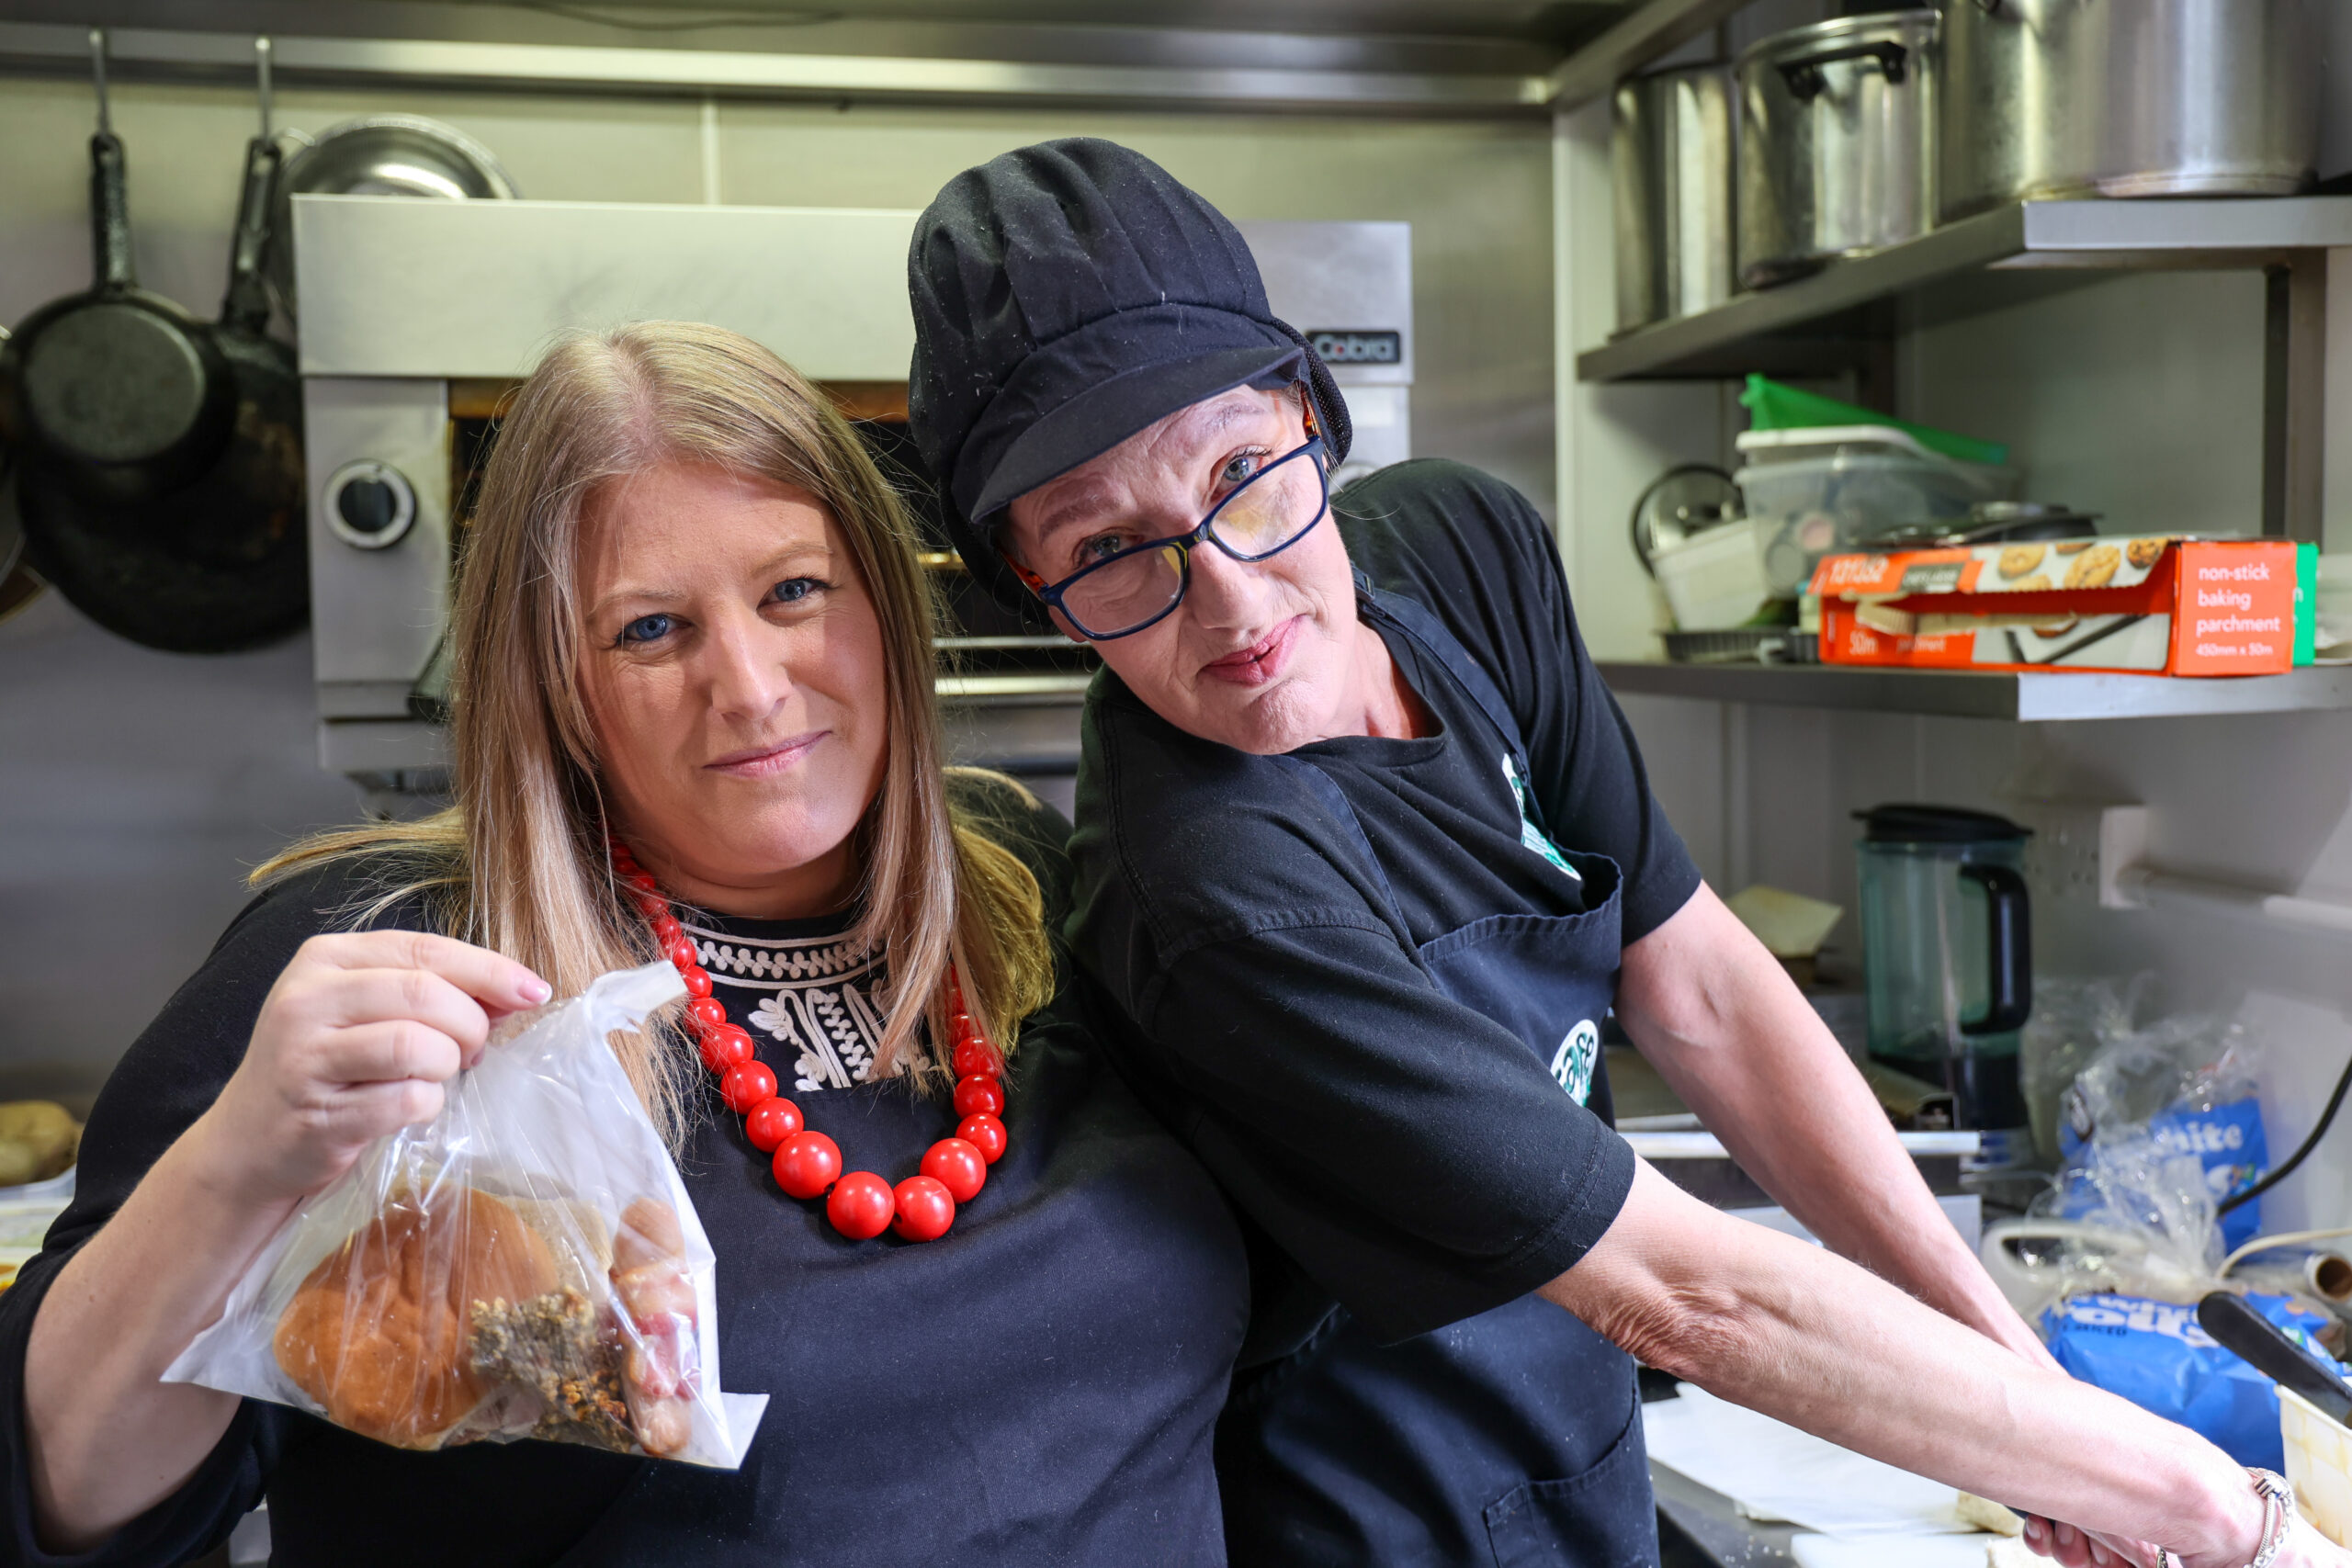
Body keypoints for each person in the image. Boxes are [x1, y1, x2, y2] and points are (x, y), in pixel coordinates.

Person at [903, 138, 2351, 1568]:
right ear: (1035, 588)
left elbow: (1698, 983)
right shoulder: (1214, 890)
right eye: (1109, 550)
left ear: (1310, 417)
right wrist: (2228, 1515)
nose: (1226, 596)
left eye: (1244, 476)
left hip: (1578, 1425)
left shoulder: (1463, 552)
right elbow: (1690, 1298)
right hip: (1369, 1492)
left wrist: (2020, 1393)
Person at [2, 321, 1248, 1567]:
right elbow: (61, 1502)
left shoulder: (1022, 875)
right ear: (552, 685)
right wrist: (237, 1166)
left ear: (885, 599)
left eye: (793, 591)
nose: (752, 686)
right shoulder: (393, 962)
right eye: (650, 629)